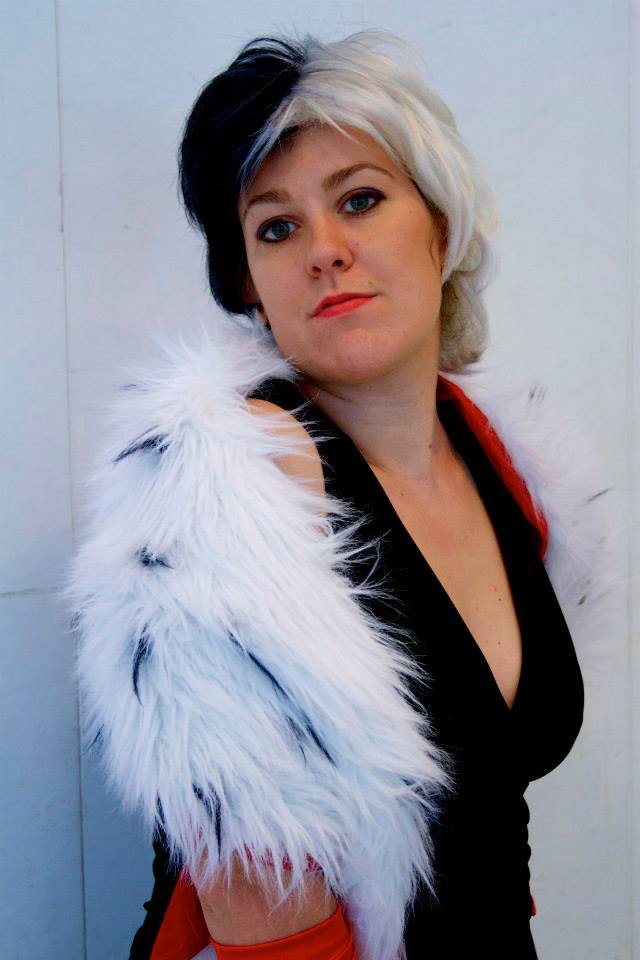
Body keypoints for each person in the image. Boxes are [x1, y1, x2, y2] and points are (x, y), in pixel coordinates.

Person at [64, 29, 617, 960]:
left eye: (360, 199)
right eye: (276, 227)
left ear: (438, 225)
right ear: (249, 283)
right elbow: (262, 906)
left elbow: (488, 824)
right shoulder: (236, 483)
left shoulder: (503, 464)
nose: (324, 250)